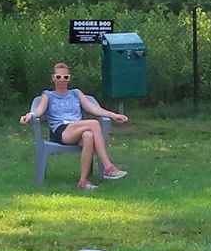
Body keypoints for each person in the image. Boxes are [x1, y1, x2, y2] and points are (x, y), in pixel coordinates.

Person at [19, 61, 130, 190]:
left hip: (77, 128)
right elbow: (39, 110)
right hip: (61, 131)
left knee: (88, 136)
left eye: (65, 77)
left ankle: (83, 181)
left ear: (69, 78)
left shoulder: (76, 93)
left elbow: (93, 108)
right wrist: (30, 115)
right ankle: (108, 167)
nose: (62, 80)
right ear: (53, 78)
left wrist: (112, 115)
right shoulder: (48, 95)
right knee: (94, 123)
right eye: (58, 77)